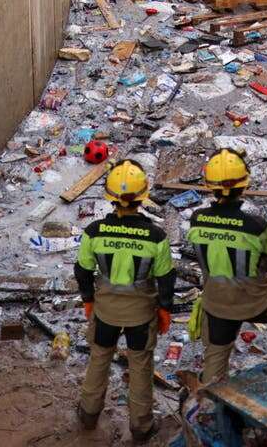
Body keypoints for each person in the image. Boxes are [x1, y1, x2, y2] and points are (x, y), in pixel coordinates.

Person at [186, 149, 267, 384]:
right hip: (258, 302)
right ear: (244, 185)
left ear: (209, 185)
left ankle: (207, 401)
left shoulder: (197, 219)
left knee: (213, 370)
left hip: (216, 305)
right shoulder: (256, 225)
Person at [74, 160, 175, 443]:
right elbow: (166, 277)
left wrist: (88, 299)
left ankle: (88, 414)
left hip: (105, 310)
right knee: (141, 367)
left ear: (110, 198)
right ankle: (142, 427)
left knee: (99, 359)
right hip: (141, 315)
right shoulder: (156, 236)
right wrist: (165, 308)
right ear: (143, 196)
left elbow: (82, 270)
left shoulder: (94, 231)